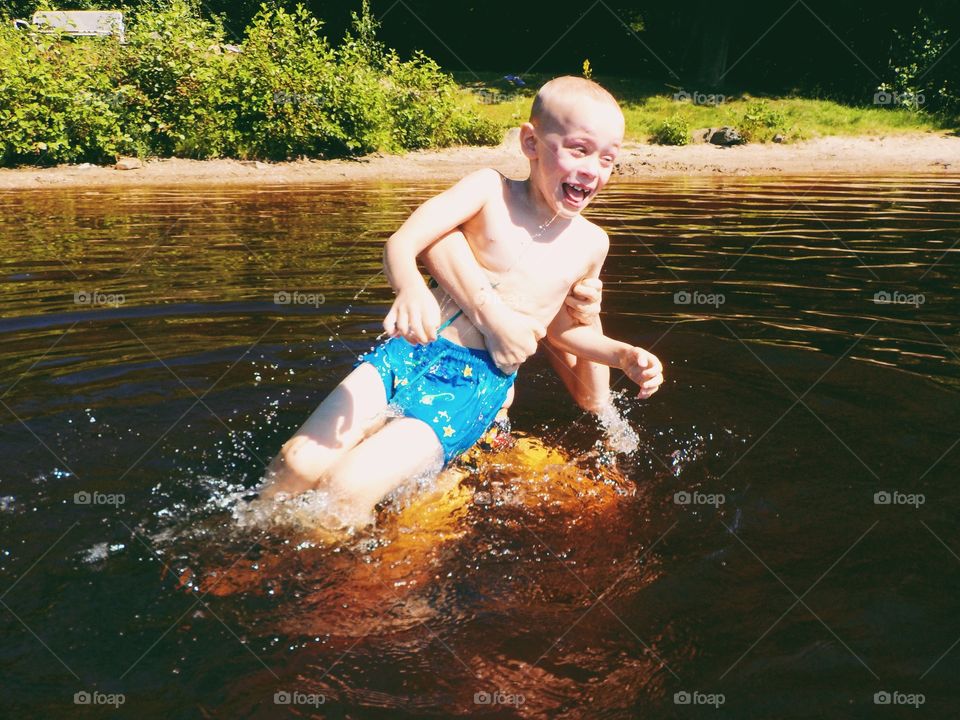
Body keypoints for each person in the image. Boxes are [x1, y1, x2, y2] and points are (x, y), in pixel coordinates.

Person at [259, 76, 664, 527]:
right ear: (530, 142)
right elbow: (402, 242)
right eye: (578, 149)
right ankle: (243, 551)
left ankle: (328, 585)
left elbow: (563, 331)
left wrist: (623, 354)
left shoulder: (591, 243)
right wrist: (411, 286)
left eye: (608, 159)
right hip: (407, 352)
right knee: (296, 464)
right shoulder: (489, 190)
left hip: (473, 383)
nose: (592, 169)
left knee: (347, 488)